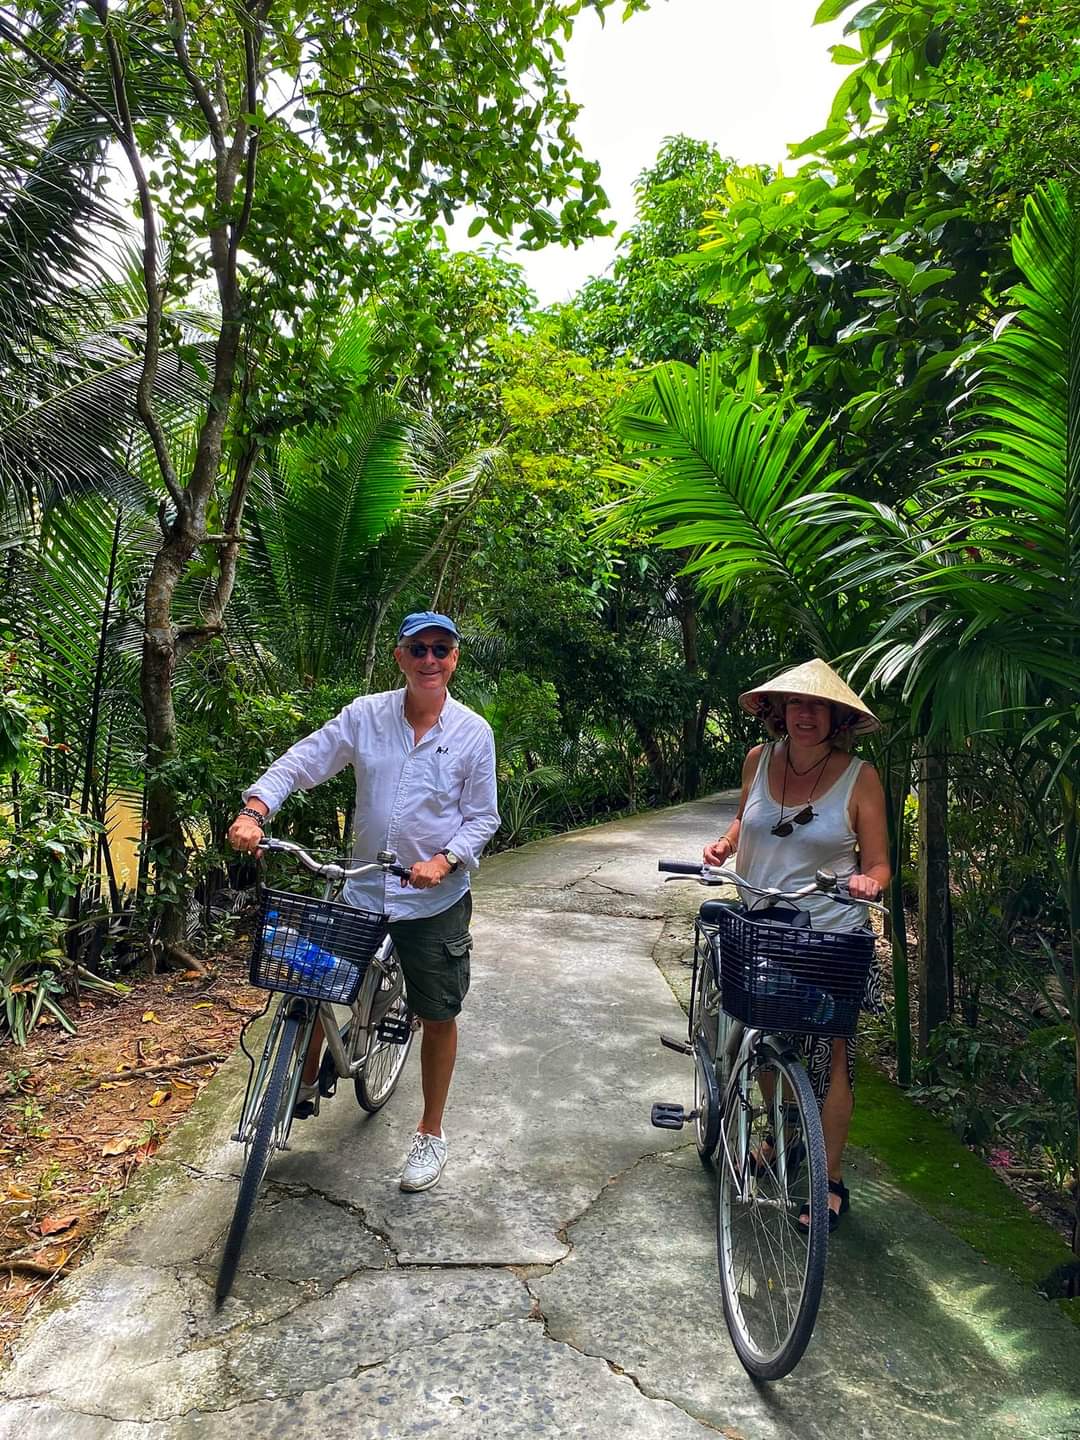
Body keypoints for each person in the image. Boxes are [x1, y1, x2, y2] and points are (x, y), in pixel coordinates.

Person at [227, 612, 500, 1194]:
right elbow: (305, 760)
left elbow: (482, 817)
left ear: (454, 659)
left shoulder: (473, 732)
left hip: (433, 900)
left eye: (442, 650)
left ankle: (430, 1132)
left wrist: (445, 859)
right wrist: (256, 809)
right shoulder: (365, 715)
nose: (431, 660)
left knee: (437, 1014)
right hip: (363, 884)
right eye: (419, 649)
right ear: (400, 657)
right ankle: (296, 1081)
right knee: (311, 980)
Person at [703, 658, 890, 1232]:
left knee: (832, 1057)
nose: (805, 714)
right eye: (795, 704)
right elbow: (744, 821)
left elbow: (880, 862)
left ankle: (828, 1180)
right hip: (762, 923)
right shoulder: (758, 762)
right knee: (763, 1032)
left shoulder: (860, 778)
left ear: (836, 718)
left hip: (832, 935)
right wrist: (725, 843)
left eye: (818, 706)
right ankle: (783, 1132)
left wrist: (869, 881)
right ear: (779, 712)